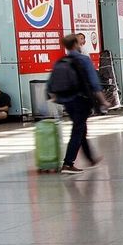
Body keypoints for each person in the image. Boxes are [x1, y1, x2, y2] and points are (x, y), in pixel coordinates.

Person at [46, 34, 102, 172]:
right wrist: (103, 100)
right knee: (78, 130)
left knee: (80, 128)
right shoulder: (83, 59)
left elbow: (50, 83)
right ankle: (68, 163)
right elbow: (94, 83)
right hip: (81, 100)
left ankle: (90, 158)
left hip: (66, 101)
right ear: (77, 44)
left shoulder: (61, 61)